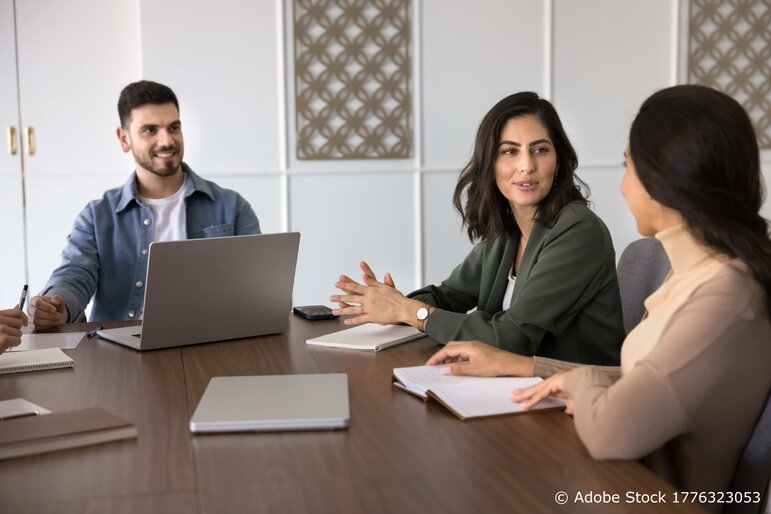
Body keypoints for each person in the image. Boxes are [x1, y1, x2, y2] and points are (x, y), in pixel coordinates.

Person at [429, 85, 771, 503]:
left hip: (646, 497)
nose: (624, 187)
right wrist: (530, 367)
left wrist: (580, 379)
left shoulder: (725, 296)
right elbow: (645, 383)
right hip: (609, 479)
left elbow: (614, 428)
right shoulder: (696, 277)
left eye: (629, 166)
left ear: (668, 180)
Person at [331, 92, 624, 365]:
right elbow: (449, 296)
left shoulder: (578, 231)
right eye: (510, 151)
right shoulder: (507, 230)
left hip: (575, 401)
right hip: (513, 389)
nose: (526, 165)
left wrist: (409, 312)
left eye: (540, 150)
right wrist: (390, 303)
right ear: (490, 163)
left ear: (558, 161)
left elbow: (514, 337)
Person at [28, 80, 261, 327]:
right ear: (124, 138)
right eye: (150, 130)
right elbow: (74, 276)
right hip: (120, 351)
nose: (167, 141)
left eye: (174, 127)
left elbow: (259, 283)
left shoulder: (232, 206)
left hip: (209, 342)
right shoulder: (97, 216)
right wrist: (56, 306)